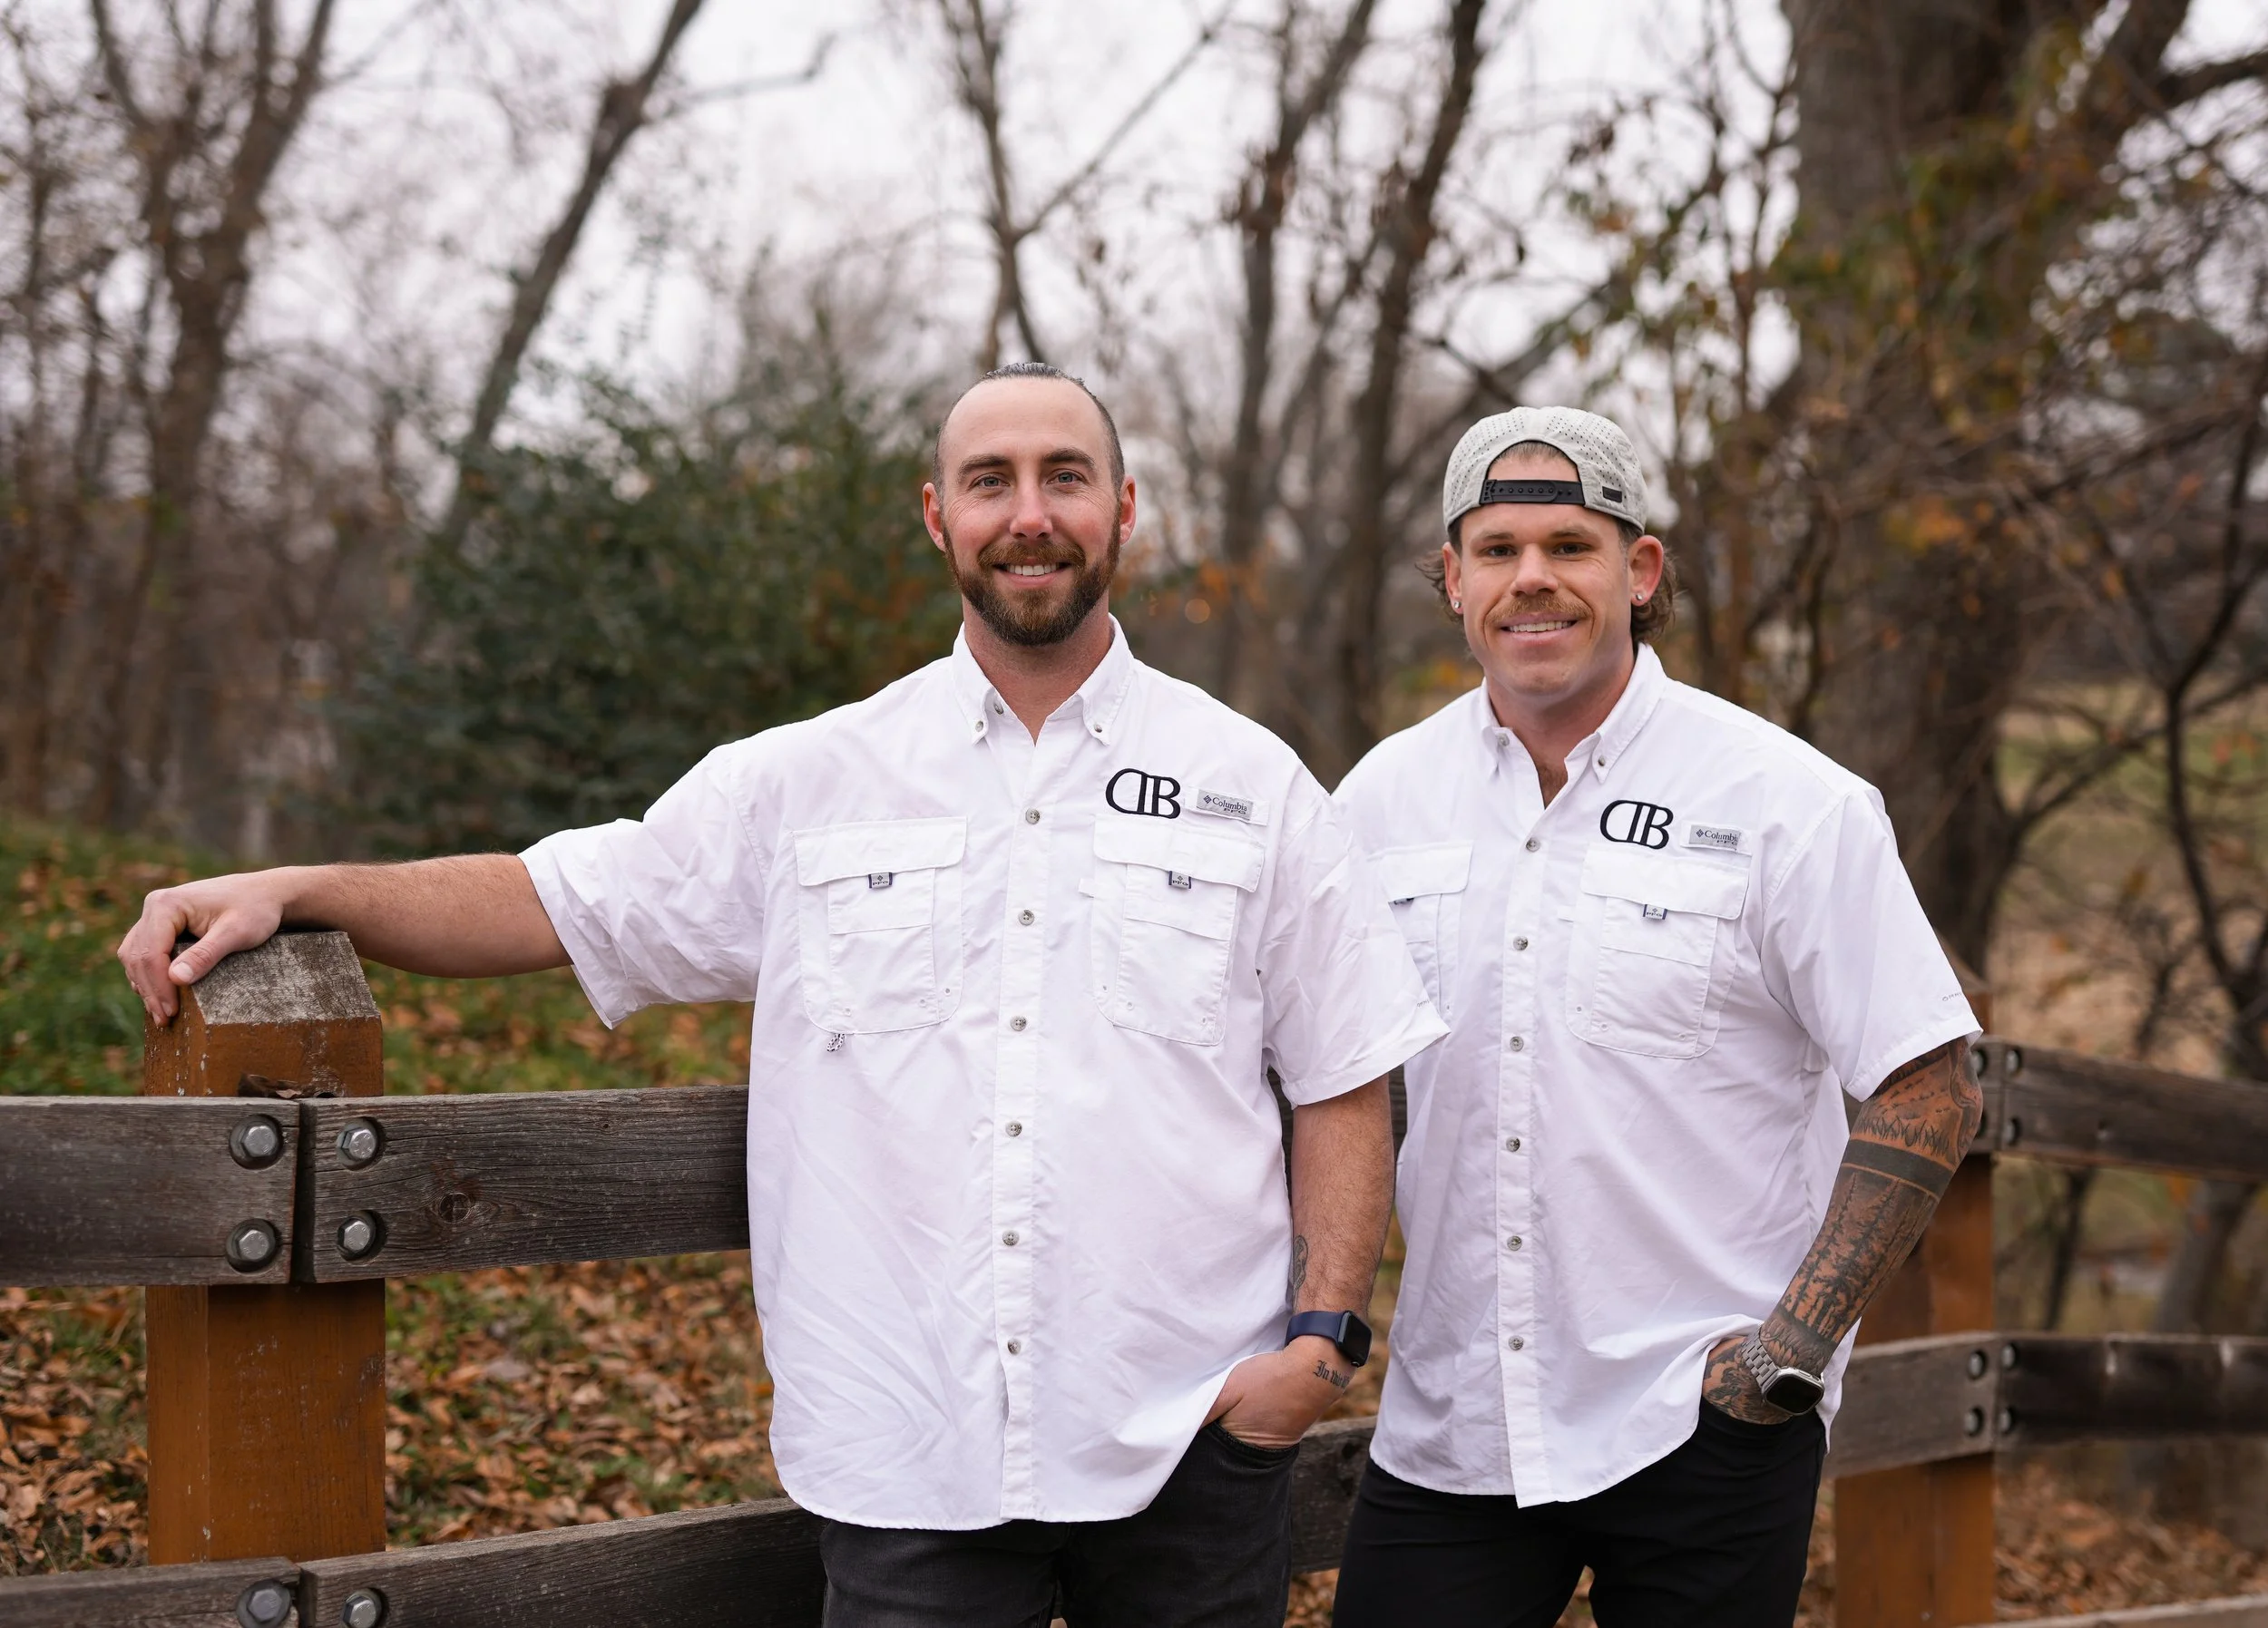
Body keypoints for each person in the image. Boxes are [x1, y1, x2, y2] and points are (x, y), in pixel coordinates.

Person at [119, 363, 1446, 1628]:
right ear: (939, 517)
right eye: (990, 481)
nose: (1029, 514)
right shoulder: (811, 783)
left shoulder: (1251, 784)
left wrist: (1320, 1343)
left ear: (1126, 510)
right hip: (907, 1455)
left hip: (1189, 1443)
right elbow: (558, 899)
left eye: (1065, 476)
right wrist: (304, 886)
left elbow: (1344, 1069)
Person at [1328, 406, 1985, 1628]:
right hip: (1456, 1421)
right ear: (1454, 579)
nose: (1533, 578)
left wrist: (1783, 1358)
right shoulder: (1378, 803)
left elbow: (1930, 1083)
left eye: (1571, 545)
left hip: (1701, 1420)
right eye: (1498, 548)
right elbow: (1315, 1079)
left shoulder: (1791, 803)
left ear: (1638, 571)